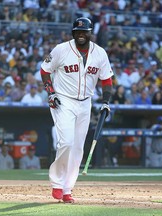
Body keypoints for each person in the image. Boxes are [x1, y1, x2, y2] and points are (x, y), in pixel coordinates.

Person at [40, 17, 113, 203]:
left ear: (90, 33)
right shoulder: (61, 49)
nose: (81, 34)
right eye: (77, 32)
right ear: (73, 33)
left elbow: (106, 80)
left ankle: (67, 189)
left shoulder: (100, 53)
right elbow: (45, 70)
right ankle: (57, 184)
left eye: (84, 32)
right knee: (67, 142)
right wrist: (51, 93)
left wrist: (106, 102)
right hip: (63, 100)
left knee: (78, 147)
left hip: (85, 102)